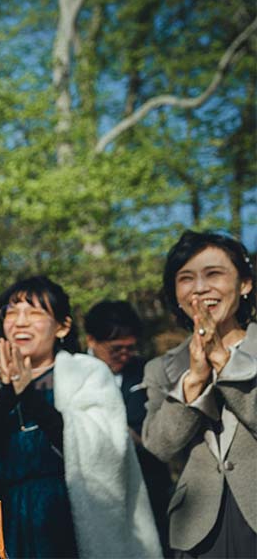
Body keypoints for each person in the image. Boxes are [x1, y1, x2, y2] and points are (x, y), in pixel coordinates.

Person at [0, 276, 159, 558]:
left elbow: (104, 451)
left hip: (67, 522)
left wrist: (27, 392)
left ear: (62, 326)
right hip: (7, 523)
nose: (20, 322)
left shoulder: (87, 373)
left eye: (34, 313)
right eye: (11, 313)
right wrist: (9, 394)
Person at [142, 230, 256, 558]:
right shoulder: (162, 367)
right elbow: (159, 446)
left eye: (214, 274)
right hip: (196, 529)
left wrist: (224, 362)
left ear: (245, 284)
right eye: (186, 278)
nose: (200, 288)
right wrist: (194, 381)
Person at [85, 300, 171, 552]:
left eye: (130, 348)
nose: (124, 355)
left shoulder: (146, 372)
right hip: (94, 492)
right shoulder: (72, 372)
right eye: (116, 349)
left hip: (147, 485)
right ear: (92, 341)